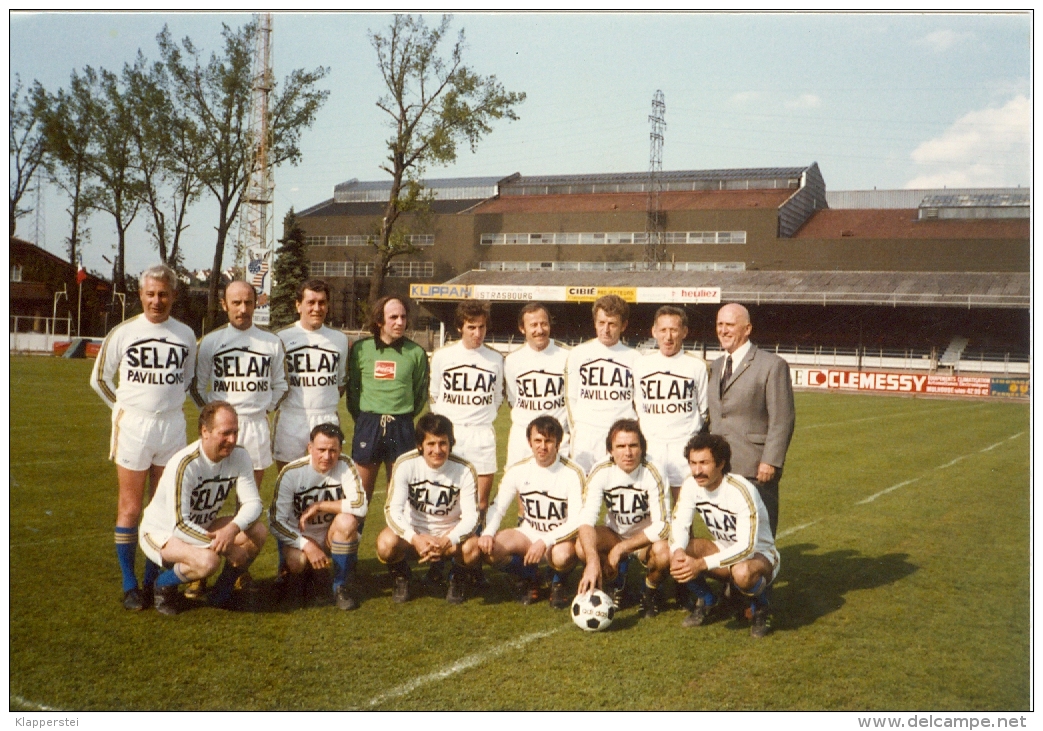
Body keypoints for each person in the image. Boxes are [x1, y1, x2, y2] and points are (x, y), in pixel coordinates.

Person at [90, 264, 197, 611]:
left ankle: (152, 581)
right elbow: (100, 379)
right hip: (134, 425)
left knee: (162, 509)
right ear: (140, 295)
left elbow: (187, 380)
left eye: (163, 294)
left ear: (173, 296)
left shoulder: (185, 335)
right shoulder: (123, 332)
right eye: (150, 294)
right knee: (131, 507)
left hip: (171, 426)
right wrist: (124, 408)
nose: (156, 300)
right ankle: (129, 584)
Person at [138, 401, 267, 616]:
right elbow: (179, 525)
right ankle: (162, 584)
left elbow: (253, 504)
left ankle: (221, 592)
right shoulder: (184, 464)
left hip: (201, 526)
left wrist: (232, 529)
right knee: (208, 561)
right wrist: (226, 546)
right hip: (162, 532)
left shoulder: (240, 456)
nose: (232, 440)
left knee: (258, 532)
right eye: (225, 433)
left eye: (235, 432)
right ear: (204, 432)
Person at [670, 432, 779, 638]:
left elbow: (747, 546)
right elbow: (680, 525)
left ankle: (761, 608)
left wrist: (701, 564)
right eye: (693, 463)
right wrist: (677, 552)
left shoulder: (740, 489)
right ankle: (708, 600)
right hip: (724, 549)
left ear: (721, 463)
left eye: (704, 463)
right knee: (676, 554)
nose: (697, 470)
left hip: (760, 555)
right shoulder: (691, 485)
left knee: (742, 573)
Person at [479, 416, 585, 608]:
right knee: (490, 550)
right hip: (529, 532)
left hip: (560, 538)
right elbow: (498, 506)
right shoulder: (518, 470)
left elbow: (577, 520)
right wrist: (487, 533)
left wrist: (545, 541)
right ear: (529, 442)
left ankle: (557, 581)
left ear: (558, 444)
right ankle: (530, 576)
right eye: (537, 440)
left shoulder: (573, 473)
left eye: (548, 441)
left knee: (562, 556)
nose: (542, 446)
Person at [708, 302, 795, 537]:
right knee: (726, 534)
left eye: (729, 325)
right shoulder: (716, 366)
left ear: (747, 329)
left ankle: (758, 574)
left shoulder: (772, 365)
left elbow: (782, 419)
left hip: (755, 468)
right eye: (719, 324)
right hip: (720, 467)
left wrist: (771, 461)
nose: (723, 330)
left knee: (758, 535)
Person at [191, 280, 287, 490]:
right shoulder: (211, 341)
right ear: (224, 304)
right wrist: (212, 417)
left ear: (255, 304)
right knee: (210, 493)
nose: (243, 309)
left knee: (249, 497)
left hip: (255, 427)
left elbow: (282, 386)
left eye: (248, 303)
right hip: (220, 429)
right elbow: (196, 387)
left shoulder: (271, 342)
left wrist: (265, 408)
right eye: (236, 303)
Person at [376, 413, 481, 604]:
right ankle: (402, 577)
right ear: (420, 445)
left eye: (443, 443)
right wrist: (415, 538)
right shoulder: (405, 464)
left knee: (472, 548)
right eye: (431, 444)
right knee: (385, 543)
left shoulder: (464, 469)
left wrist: (447, 540)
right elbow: (392, 510)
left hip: (448, 534)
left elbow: (472, 518)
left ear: (451, 443)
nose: (437, 450)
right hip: (415, 533)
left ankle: (456, 578)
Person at [576, 419, 672, 619]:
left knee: (664, 554)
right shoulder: (600, 470)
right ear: (610, 450)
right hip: (615, 533)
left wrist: (622, 548)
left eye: (633, 446)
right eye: (620, 446)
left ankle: (648, 593)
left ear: (642, 448)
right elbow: (586, 520)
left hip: (645, 539)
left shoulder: (653, 471)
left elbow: (663, 526)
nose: (627, 453)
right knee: (581, 546)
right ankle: (617, 584)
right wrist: (592, 561)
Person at [269, 423, 368, 610]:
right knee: (297, 562)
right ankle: (300, 580)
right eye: (321, 450)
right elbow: (275, 521)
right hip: (301, 537)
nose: (327, 456)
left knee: (348, 520)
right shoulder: (291, 472)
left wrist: (321, 505)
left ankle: (340, 585)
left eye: (333, 450)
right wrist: (306, 545)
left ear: (340, 449)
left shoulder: (345, 464)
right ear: (310, 448)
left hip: (330, 536)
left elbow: (361, 506)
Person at [346, 295, 429, 504]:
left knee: (399, 499)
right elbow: (353, 390)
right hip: (369, 424)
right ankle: (353, 535)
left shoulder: (416, 353)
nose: (400, 322)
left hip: (401, 425)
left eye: (403, 317)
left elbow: (420, 393)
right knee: (359, 498)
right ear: (379, 320)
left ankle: (394, 538)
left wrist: (402, 413)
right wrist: (366, 417)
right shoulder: (361, 349)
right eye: (393, 317)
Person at [429, 299, 504, 517]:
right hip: (451, 433)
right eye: (471, 327)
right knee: (447, 499)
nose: (477, 333)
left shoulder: (495, 359)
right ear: (460, 326)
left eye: (481, 327)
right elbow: (434, 395)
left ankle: (475, 550)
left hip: (481, 434)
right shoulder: (443, 356)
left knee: (480, 503)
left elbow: (497, 397)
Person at [634, 305, 709, 504]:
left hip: (682, 449)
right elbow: (639, 406)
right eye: (663, 330)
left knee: (683, 513)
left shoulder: (697, 366)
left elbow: (703, 410)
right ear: (654, 332)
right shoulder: (641, 365)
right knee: (650, 513)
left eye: (674, 330)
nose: (668, 337)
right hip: (651, 448)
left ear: (684, 332)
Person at [274, 279, 349, 473]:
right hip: (291, 417)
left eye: (322, 302)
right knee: (289, 480)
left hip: (326, 416)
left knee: (325, 482)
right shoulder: (281, 338)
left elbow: (340, 383)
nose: (317, 308)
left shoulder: (339, 339)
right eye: (311, 302)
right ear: (298, 305)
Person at [565, 294, 638, 472]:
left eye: (612, 324)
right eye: (601, 323)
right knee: (584, 492)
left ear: (624, 326)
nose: (606, 329)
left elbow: (639, 403)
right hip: (586, 436)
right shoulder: (578, 354)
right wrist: (579, 427)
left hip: (620, 438)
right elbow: (570, 397)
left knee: (621, 491)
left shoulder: (635, 358)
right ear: (595, 322)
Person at [503, 303, 570, 469]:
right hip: (522, 437)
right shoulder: (512, 360)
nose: (539, 330)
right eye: (533, 325)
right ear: (522, 328)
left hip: (557, 437)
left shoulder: (568, 356)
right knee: (522, 488)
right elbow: (513, 398)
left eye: (544, 324)